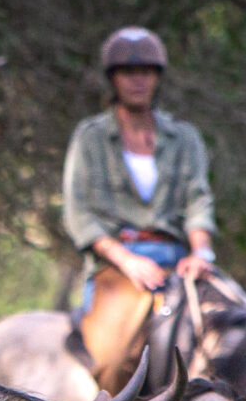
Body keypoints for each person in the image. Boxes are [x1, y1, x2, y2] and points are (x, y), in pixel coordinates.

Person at [62, 26, 217, 320]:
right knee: (105, 360)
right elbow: (78, 213)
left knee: (237, 333)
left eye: (146, 72)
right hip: (115, 264)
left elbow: (198, 200)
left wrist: (201, 254)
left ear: (157, 77)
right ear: (113, 78)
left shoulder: (184, 137)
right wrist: (128, 261)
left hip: (178, 262)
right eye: (127, 72)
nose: (138, 80)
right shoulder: (90, 137)